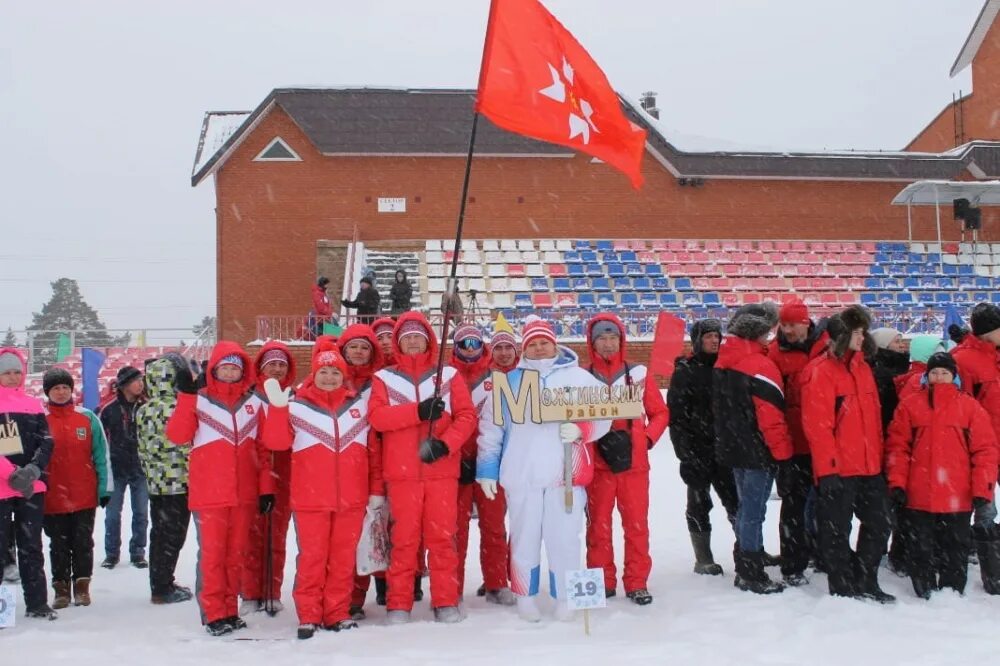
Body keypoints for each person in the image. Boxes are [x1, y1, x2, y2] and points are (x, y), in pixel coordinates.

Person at [477, 315, 612, 622]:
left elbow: (605, 417)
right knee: (524, 538)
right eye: (532, 344)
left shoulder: (579, 379)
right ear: (524, 349)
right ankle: (525, 595)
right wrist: (487, 470)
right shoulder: (508, 382)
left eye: (544, 343)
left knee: (565, 538)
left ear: (554, 344)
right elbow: (490, 430)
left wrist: (582, 430)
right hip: (521, 474)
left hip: (565, 475)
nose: (538, 349)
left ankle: (567, 597)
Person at [367, 312, 477, 624]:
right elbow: (378, 418)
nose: (413, 341)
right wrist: (417, 411)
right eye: (407, 337)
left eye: (419, 336)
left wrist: (446, 444)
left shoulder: (449, 376)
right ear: (399, 343)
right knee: (404, 541)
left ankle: (445, 599)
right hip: (402, 474)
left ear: (428, 340)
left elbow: (467, 416)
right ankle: (398, 603)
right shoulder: (384, 379)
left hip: (440, 470)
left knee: (442, 538)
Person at [261, 346, 377, 639]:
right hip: (311, 499)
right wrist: (277, 410)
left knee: (342, 559)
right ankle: (309, 614)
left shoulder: (359, 407)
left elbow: (374, 452)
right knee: (312, 558)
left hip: (351, 498)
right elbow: (276, 443)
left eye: (335, 372)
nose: (329, 377)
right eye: (323, 371)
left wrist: (375, 490)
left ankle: (337, 612)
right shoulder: (297, 406)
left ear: (343, 375)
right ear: (314, 374)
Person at [166, 342, 275, 636]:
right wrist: (186, 398)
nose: (229, 372)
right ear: (214, 369)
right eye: (224, 367)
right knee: (213, 556)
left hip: (244, 494)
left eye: (235, 367)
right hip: (210, 494)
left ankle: (229, 609)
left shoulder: (254, 404)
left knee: (235, 554)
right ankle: (214, 613)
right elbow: (177, 435)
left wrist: (266, 488)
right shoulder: (199, 400)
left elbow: (264, 451)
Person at [885, 352, 998, 598]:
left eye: (944, 373)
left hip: (957, 493)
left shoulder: (970, 407)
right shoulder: (910, 405)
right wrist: (897, 483)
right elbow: (898, 448)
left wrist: (982, 489)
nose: (939, 377)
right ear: (927, 376)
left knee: (955, 545)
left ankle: (952, 589)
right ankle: (923, 586)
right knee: (921, 545)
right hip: (919, 492)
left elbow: (984, 451)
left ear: (954, 377)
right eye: (934, 373)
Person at [802, 305, 894, 603]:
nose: (862, 337)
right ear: (842, 336)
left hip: (869, 467)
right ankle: (841, 584)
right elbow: (819, 427)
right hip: (839, 468)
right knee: (836, 530)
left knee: (879, 525)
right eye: (857, 332)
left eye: (863, 332)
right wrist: (827, 469)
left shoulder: (864, 367)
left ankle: (867, 579)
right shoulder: (820, 372)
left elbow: (873, 422)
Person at [583, 314, 668, 605]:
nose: (607, 344)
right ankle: (601, 580)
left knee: (636, 526)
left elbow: (660, 413)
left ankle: (636, 581)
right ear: (592, 343)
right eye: (601, 339)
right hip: (598, 465)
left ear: (621, 340)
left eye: (612, 338)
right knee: (598, 527)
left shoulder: (639, 374)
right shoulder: (582, 377)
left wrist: (645, 439)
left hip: (633, 465)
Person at [712, 303, 793, 595]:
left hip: (733, 448)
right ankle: (750, 571)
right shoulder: (760, 365)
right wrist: (783, 453)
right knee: (753, 511)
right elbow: (771, 418)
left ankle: (749, 557)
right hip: (757, 451)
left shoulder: (724, 359)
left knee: (746, 507)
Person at [449, 324, 514, 606]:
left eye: (475, 343)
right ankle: (452, 586)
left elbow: (506, 421)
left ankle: (496, 582)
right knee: (454, 530)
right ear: (456, 346)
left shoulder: (496, 377)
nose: (471, 349)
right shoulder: (445, 377)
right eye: (465, 344)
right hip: (456, 464)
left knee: (494, 526)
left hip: (490, 463)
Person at [669, 319, 739, 576]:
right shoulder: (685, 371)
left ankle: (747, 548)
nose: (714, 341)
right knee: (699, 504)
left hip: (725, 449)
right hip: (697, 450)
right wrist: (685, 454)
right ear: (697, 340)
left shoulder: (725, 368)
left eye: (716, 336)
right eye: (708, 336)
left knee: (736, 502)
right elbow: (676, 417)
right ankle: (703, 558)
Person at [767, 299, 828, 586]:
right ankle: (792, 563)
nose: (787, 330)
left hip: (825, 440)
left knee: (827, 502)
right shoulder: (775, 353)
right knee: (793, 504)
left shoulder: (827, 347)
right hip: (794, 442)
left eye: (792, 324)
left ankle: (823, 552)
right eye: (784, 324)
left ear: (805, 324)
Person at [40, 368, 112, 609]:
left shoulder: (88, 418)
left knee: (83, 542)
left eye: (65, 388)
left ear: (72, 390)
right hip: (52, 496)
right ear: (47, 392)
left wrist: (105, 488)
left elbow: (102, 455)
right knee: (58, 544)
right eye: (56, 388)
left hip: (84, 494)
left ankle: (82, 587)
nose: (61, 392)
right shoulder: (40, 419)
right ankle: (60, 589)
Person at [335, 325, 391, 619]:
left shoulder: (381, 381)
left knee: (381, 529)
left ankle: (386, 586)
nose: (358, 352)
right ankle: (352, 597)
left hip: (383, 460)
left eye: (365, 347)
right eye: (353, 346)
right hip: (346, 465)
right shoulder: (331, 378)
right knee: (352, 536)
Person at [240, 342, 297, 616]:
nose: (276, 369)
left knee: (277, 534)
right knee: (252, 535)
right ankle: (250, 592)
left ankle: (272, 591)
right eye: (271, 364)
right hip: (253, 472)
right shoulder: (248, 399)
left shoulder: (293, 398)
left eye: (282, 364)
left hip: (284, 473)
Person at [0, 347, 56, 619]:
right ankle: (2, 611)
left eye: (16, 372)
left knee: (31, 546)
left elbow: (46, 441)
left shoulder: (33, 405)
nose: (12, 377)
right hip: (2, 486)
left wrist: (33, 470)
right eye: (6, 373)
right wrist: (10, 473)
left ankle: (37, 603)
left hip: (31, 487)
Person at [136, 354, 195, 605]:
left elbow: (141, 447)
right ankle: (163, 587)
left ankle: (159, 582)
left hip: (156, 483)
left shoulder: (143, 409)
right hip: (179, 482)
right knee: (174, 536)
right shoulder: (179, 407)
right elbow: (185, 445)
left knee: (159, 534)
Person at [99, 365, 149, 569]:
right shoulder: (109, 410)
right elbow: (101, 442)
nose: (140, 384)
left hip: (140, 469)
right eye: (136, 380)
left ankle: (138, 552)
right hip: (116, 470)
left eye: (141, 380)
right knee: (112, 515)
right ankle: (111, 554)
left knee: (141, 514)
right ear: (125, 385)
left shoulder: (147, 406)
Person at [869, 327, 909, 432]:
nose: (902, 345)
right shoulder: (878, 373)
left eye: (901, 341)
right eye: (897, 342)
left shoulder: (902, 366)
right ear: (883, 345)